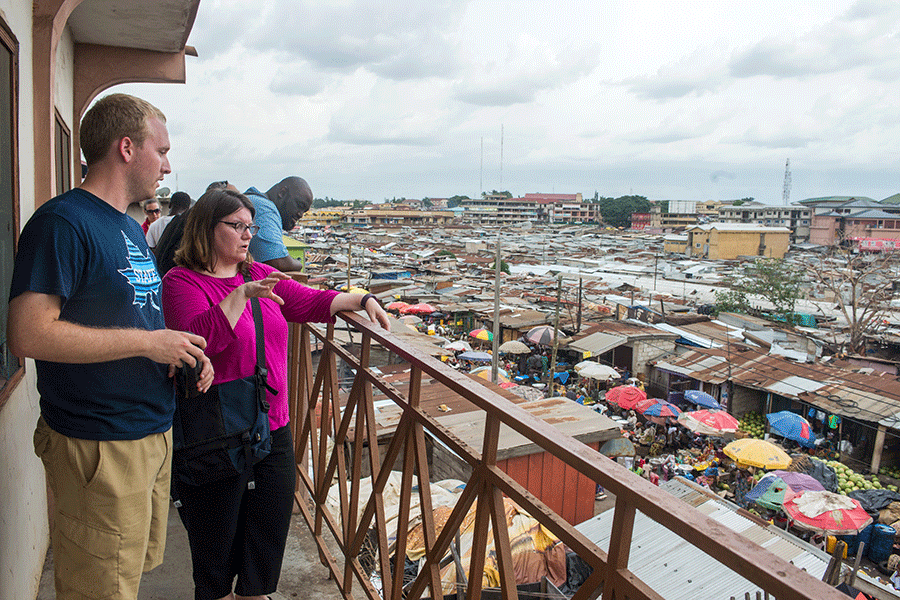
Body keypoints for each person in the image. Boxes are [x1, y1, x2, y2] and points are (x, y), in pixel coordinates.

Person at [7, 93, 214, 600]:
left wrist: (179, 352)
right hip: (99, 443)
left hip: (146, 433)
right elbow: (29, 333)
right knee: (98, 590)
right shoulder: (64, 223)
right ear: (126, 148)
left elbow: (132, 312)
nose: (168, 165)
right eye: (161, 150)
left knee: (123, 578)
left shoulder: (127, 224)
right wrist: (148, 344)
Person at [161, 188, 390, 600]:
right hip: (217, 430)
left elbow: (308, 302)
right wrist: (239, 297)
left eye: (251, 227)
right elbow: (198, 342)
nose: (247, 235)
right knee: (215, 555)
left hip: (271, 424)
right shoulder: (182, 283)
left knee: (265, 547)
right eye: (237, 226)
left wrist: (362, 298)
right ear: (207, 229)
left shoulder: (256, 275)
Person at [243, 176, 313, 272]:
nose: (300, 214)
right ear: (282, 193)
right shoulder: (265, 209)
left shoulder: (253, 199)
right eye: (299, 206)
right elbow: (278, 262)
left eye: (304, 211)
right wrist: (299, 264)